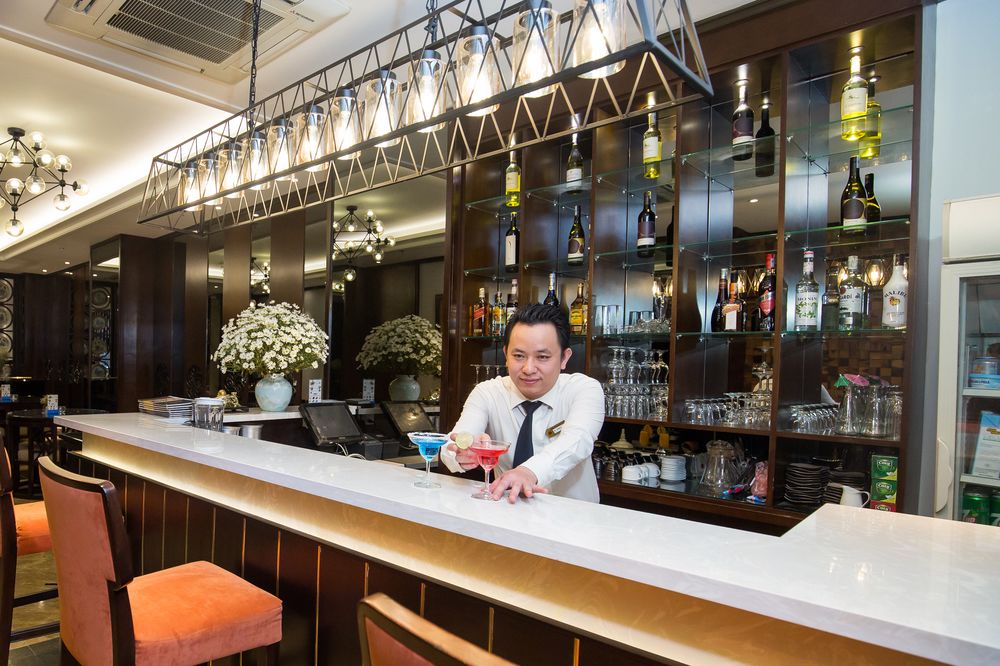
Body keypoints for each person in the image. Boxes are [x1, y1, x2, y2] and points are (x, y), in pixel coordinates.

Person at [442, 303, 604, 503]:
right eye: (518, 356)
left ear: (564, 358)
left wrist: (528, 471)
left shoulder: (584, 389)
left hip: (572, 516)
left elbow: (578, 441)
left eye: (542, 357)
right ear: (506, 355)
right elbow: (453, 442)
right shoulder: (488, 392)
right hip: (508, 511)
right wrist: (460, 454)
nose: (528, 368)